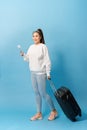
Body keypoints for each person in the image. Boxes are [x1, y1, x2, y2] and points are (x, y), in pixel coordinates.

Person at [20, 29, 58, 121]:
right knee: (36, 93)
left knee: (43, 93)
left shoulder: (43, 47)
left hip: (41, 73)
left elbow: (47, 61)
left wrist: (48, 73)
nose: (35, 37)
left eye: (36, 36)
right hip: (32, 73)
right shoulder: (31, 47)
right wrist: (24, 55)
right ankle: (39, 113)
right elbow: (28, 59)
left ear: (40, 37)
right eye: (33, 36)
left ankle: (53, 111)